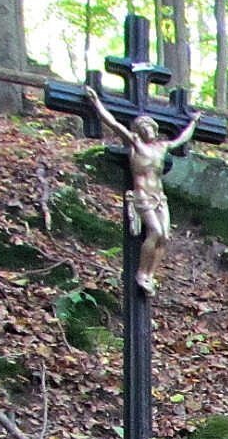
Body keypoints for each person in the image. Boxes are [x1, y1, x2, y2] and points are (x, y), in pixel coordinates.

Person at [87, 88, 203, 295]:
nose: (148, 130)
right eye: (144, 127)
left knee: (165, 236)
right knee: (155, 232)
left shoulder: (162, 147)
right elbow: (113, 123)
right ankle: (141, 273)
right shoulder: (134, 143)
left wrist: (193, 122)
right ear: (139, 130)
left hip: (160, 197)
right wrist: (96, 103)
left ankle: (150, 274)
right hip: (142, 195)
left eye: (151, 127)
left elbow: (182, 139)